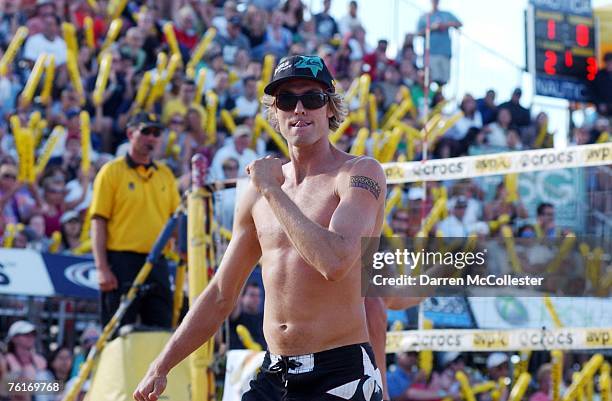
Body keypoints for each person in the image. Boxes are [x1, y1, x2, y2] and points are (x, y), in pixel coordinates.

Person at [134, 55, 388, 401]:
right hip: (275, 372)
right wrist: (161, 364)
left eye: (311, 98)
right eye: (287, 100)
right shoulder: (257, 190)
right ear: (275, 111)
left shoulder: (358, 173)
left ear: (330, 108)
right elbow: (222, 292)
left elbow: (336, 262)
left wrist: (272, 190)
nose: (299, 109)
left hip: (339, 371)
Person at [90, 112, 180, 328]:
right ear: (130, 134)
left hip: (157, 263)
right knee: (116, 330)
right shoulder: (111, 172)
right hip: (121, 262)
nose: (152, 138)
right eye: (146, 131)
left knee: (161, 330)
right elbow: (98, 222)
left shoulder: (165, 174)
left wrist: (182, 256)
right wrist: (101, 267)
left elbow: (175, 221)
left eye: (156, 133)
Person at [417, 0, 462, 86]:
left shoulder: (446, 14)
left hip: (445, 52)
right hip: (431, 52)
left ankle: (440, 96)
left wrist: (445, 25)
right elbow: (418, 33)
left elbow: (459, 23)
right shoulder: (425, 17)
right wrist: (432, 28)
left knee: (444, 80)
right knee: (432, 78)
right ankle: (433, 97)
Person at [229, 281, 266, 350]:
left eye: (258, 296)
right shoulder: (237, 316)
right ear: (242, 297)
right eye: (252, 295)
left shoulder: (263, 318)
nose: (256, 299)